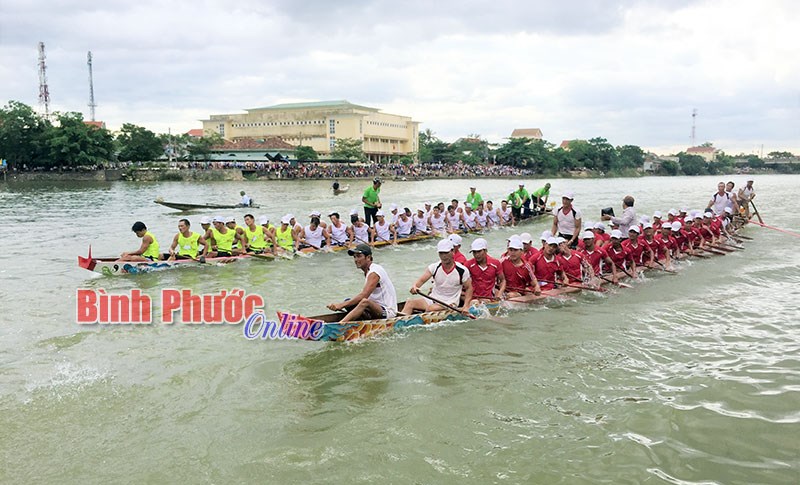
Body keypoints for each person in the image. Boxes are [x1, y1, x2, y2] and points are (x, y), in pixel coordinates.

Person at [327, 244, 398, 322]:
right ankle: (359, 321)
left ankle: (340, 325)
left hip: (387, 311)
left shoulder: (374, 272)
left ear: (368, 257)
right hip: (375, 309)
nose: (356, 260)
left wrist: (340, 305)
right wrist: (344, 304)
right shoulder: (367, 271)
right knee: (348, 301)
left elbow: (364, 295)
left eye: (359, 256)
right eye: (354, 257)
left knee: (364, 302)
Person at [404, 239, 473, 315]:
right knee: (410, 303)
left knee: (431, 309)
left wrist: (466, 306)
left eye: (446, 253)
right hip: (433, 298)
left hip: (449, 303)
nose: (444, 256)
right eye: (441, 253)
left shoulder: (462, 270)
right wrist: (414, 287)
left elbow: (469, 288)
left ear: (453, 252)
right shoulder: (434, 267)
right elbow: (420, 281)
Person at [465, 238, 505, 302]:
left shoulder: (495, 263)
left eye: (479, 251)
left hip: (490, 298)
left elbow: (503, 280)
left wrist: (499, 294)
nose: (476, 255)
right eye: (474, 252)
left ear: (485, 250)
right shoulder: (468, 264)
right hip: (474, 298)